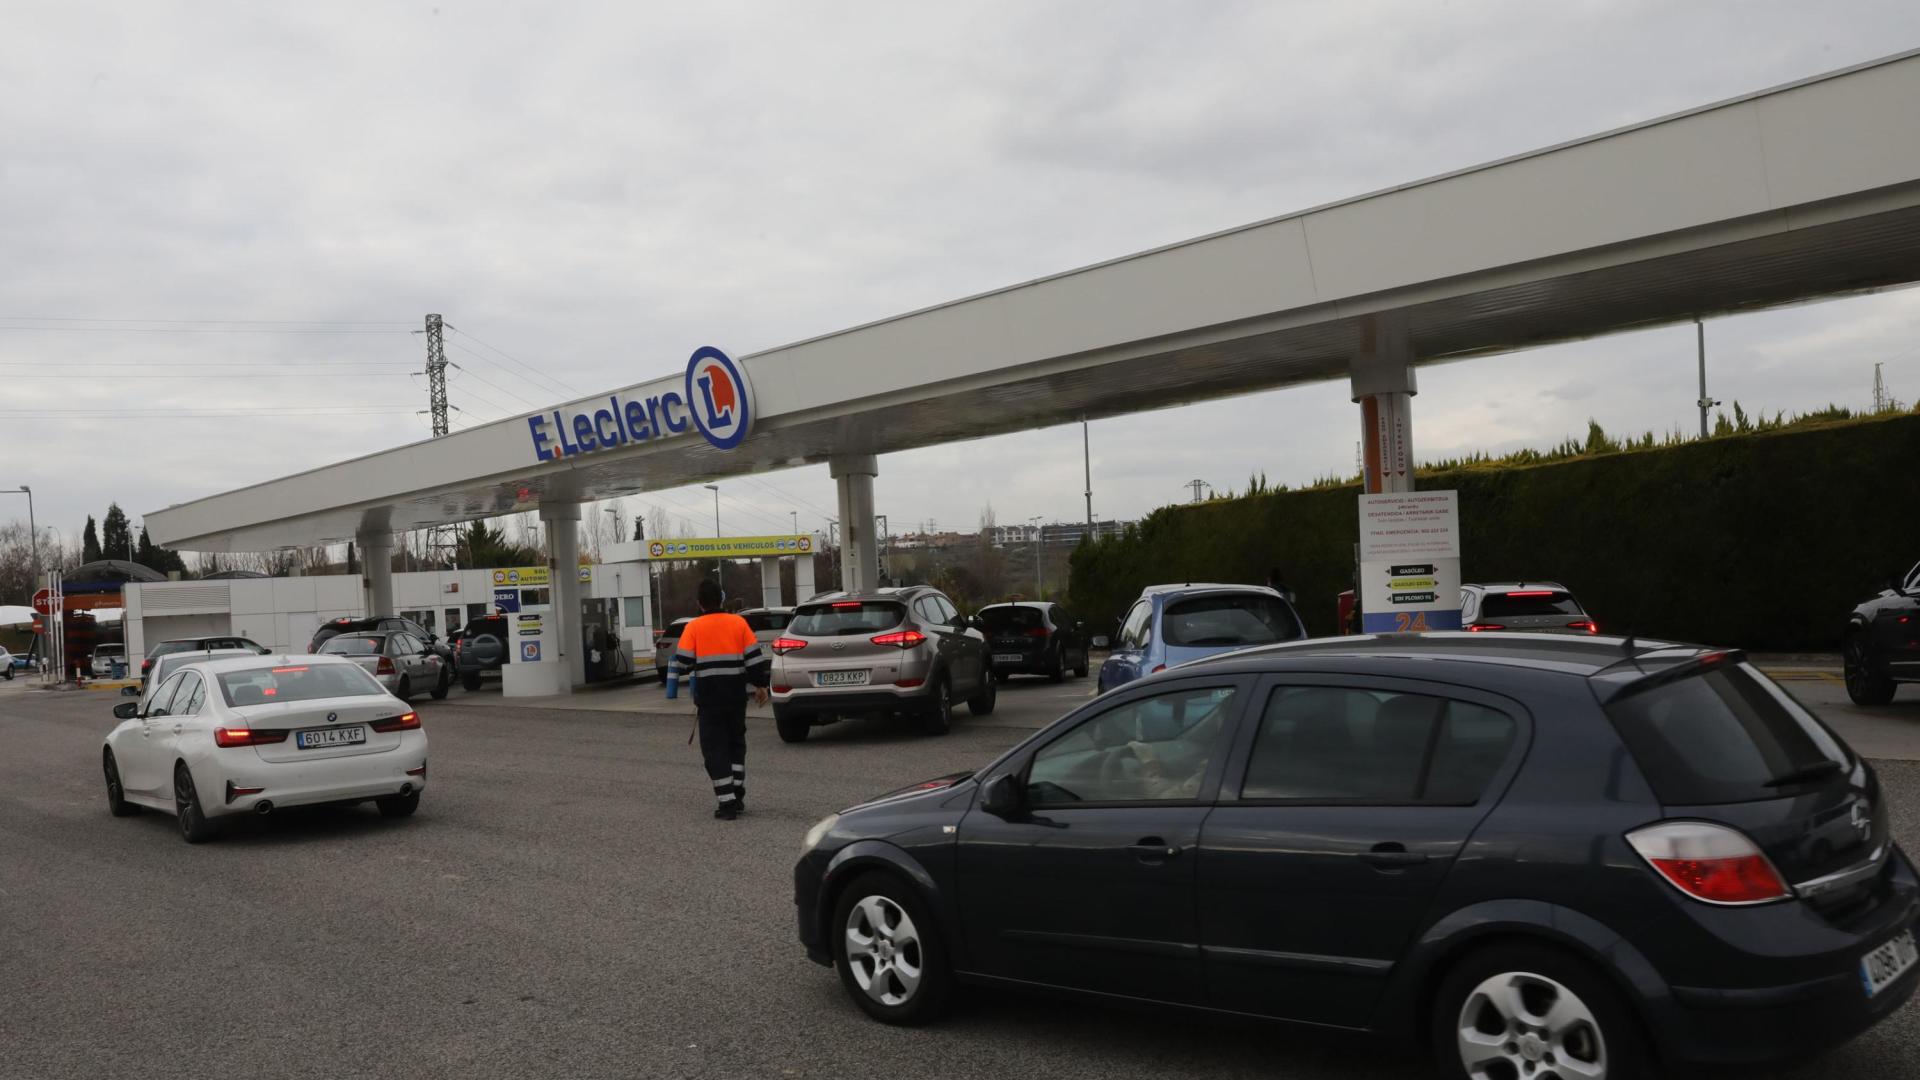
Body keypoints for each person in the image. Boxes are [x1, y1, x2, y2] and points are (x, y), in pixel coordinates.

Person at [667, 580, 771, 819]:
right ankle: (737, 795)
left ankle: (727, 803)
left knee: (715, 750)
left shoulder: (693, 627)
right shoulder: (739, 623)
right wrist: (760, 685)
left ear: (699, 603)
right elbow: (754, 660)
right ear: (722, 599)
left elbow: (683, 661)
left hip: (710, 700)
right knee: (736, 746)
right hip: (736, 698)